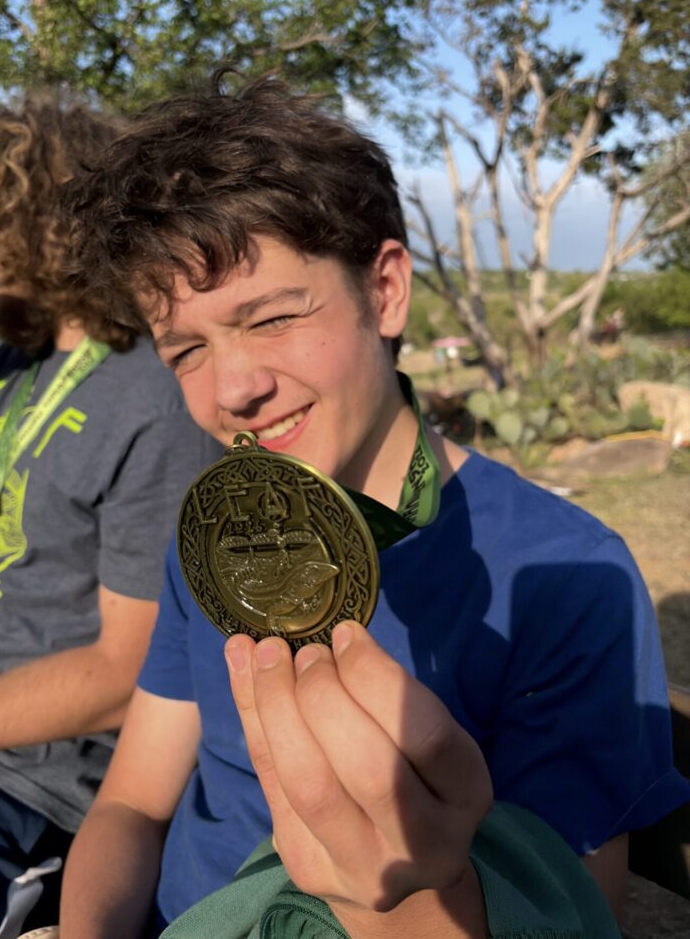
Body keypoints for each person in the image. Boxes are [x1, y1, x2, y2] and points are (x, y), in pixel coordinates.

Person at [59, 76, 690, 939]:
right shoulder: (210, 541)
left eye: (275, 316)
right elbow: (132, 802)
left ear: (386, 291)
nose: (234, 388)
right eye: (187, 349)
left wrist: (407, 892)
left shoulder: (565, 576)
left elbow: (571, 916)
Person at [0, 97, 219, 938]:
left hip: (9, 781)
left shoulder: (158, 400)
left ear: (53, 224)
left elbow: (122, 679)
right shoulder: (13, 361)